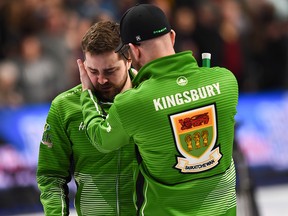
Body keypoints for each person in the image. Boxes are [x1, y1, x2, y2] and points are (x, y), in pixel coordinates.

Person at [78, 4, 239, 216]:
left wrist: (87, 94)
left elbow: (101, 139)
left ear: (133, 51)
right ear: (172, 37)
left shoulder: (132, 103)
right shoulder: (225, 81)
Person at [37, 20, 137, 216]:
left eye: (110, 71)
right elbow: (51, 176)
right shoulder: (64, 107)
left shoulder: (150, 97)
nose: (101, 80)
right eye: (93, 71)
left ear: (129, 60)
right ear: (82, 64)